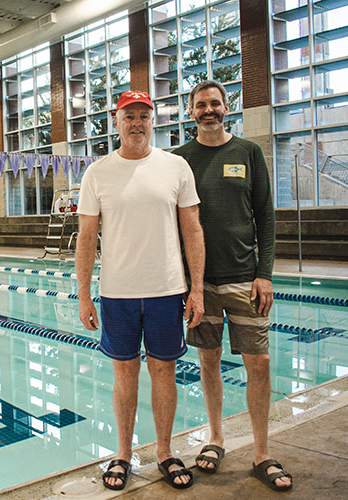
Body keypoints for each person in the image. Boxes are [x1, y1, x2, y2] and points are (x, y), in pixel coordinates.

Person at [76, 90, 206, 491]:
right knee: (124, 374)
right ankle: (123, 454)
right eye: (128, 116)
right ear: (116, 122)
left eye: (143, 116)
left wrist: (196, 289)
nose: (137, 123)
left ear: (153, 121)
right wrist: (84, 294)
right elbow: (86, 238)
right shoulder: (97, 172)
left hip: (168, 290)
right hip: (118, 293)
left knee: (164, 372)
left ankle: (165, 452)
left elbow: (192, 230)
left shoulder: (176, 167)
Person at [173, 80, 292, 492]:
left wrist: (266, 272)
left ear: (227, 107)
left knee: (258, 362)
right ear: (191, 112)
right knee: (209, 360)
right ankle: (216, 437)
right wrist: (187, 283)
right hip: (200, 284)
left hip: (245, 277)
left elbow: (266, 215)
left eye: (216, 104)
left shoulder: (248, 152)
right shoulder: (179, 160)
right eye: (201, 104)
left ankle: (261, 452)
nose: (209, 110)